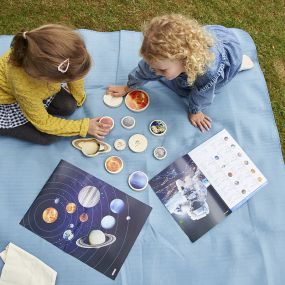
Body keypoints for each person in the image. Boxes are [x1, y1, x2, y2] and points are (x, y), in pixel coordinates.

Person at [107, 14, 254, 132]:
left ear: (185, 61)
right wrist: (129, 87)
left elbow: (203, 94)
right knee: (168, 76)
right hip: (198, 50)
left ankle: (238, 64)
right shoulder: (161, 57)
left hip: (221, 56)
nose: (155, 72)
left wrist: (195, 111)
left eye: (162, 70)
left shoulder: (207, 71)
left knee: (198, 87)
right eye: (154, 67)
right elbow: (145, 70)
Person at [0, 24, 112, 145]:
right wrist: (83, 126)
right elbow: (43, 123)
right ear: (46, 78)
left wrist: (78, 97)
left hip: (34, 93)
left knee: (69, 105)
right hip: (6, 103)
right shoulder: (24, 87)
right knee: (48, 137)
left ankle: (37, 109)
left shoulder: (55, 55)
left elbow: (74, 72)